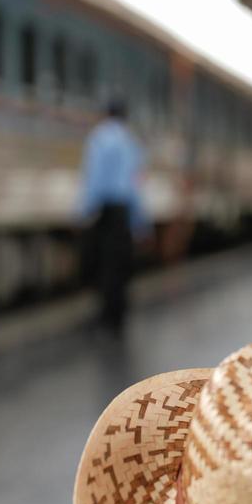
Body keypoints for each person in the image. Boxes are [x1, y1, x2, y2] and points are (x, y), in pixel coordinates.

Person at [78, 97, 149, 337]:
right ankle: (119, 317)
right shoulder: (131, 142)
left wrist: (84, 211)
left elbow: (94, 178)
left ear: (106, 114)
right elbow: (136, 185)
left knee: (103, 264)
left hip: (106, 210)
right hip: (125, 211)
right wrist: (140, 222)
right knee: (121, 265)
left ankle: (106, 318)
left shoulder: (100, 137)